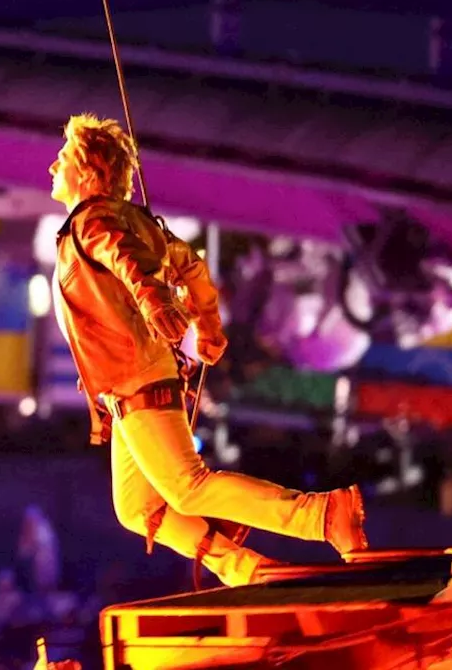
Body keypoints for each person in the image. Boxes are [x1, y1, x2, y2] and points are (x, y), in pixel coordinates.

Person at [47, 113, 367, 587]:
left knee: (187, 488)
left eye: (63, 158)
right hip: (130, 385)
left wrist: (158, 304)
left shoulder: (92, 221)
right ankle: (246, 568)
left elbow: (126, 261)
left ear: (89, 171)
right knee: (137, 508)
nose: (53, 166)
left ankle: (321, 514)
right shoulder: (131, 220)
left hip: (138, 379)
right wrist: (208, 325)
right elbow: (190, 265)